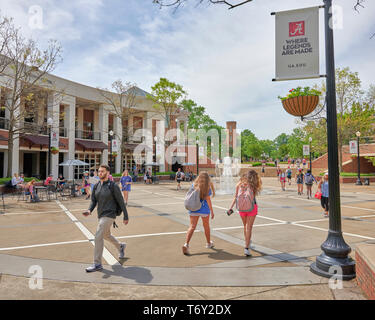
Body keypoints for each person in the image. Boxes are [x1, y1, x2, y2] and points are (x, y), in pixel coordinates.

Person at [83, 164, 129, 272]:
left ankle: (97, 263)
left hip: (110, 215)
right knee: (106, 235)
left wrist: (126, 216)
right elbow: (93, 201)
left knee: (98, 235)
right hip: (101, 215)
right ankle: (120, 246)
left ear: (108, 173)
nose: (100, 173)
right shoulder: (97, 185)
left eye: (102, 171)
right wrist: (89, 210)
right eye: (99, 171)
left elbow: (121, 202)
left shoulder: (113, 186)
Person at [227, 170, 262, 256]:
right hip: (252, 208)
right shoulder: (253, 186)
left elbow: (235, 197)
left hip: (241, 208)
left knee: (245, 226)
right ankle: (246, 247)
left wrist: (230, 208)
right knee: (249, 227)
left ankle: (247, 242)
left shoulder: (239, 185)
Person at [182, 172, 215, 255]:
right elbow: (208, 200)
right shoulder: (207, 187)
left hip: (193, 208)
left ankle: (186, 244)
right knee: (206, 226)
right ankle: (208, 243)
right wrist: (212, 211)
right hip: (204, 209)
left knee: (192, 226)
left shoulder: (194, 185)